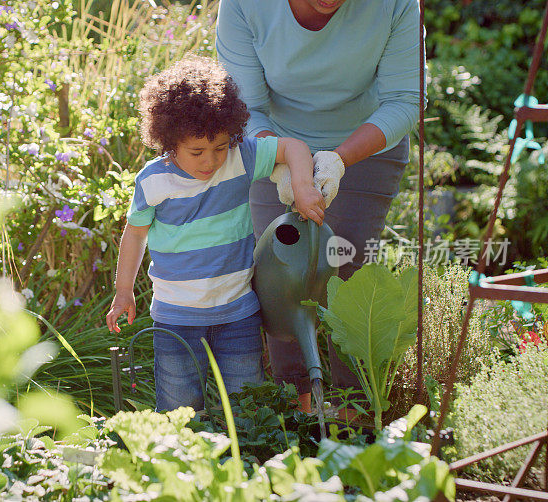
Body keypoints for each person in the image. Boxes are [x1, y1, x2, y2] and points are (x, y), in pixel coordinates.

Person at [216, 0, 422, 412]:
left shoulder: (394, 4)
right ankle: (297, 411)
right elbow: (245, 107)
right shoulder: (245, 5)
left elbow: (405, 100)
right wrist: (284, 160)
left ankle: (354, 410)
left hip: (367, 144)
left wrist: (339, 160)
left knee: (346, 266)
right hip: (271, 140)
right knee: (280, 273)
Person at [104, 55, 327, 412]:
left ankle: (246, 467)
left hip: (237, 314)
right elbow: (134, 235)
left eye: (220, 147)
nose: (210, 160)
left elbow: (293, 147)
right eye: (197, 151)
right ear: (169, 141)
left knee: (247, 411)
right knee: (180, 414)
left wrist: (302, 185)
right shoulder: (153, 180)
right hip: (175, 320)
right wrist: (123, 290)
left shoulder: (241, 158)